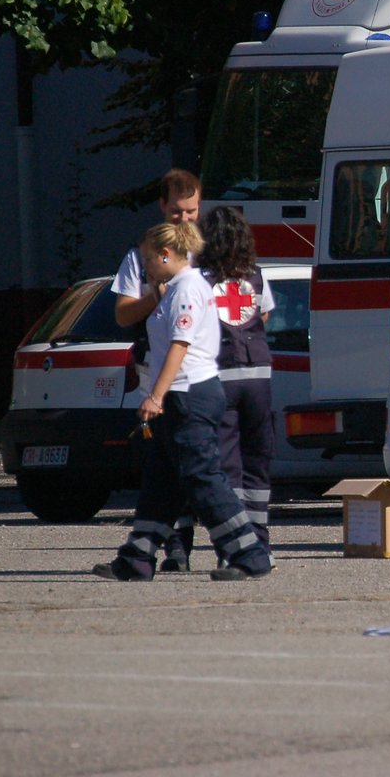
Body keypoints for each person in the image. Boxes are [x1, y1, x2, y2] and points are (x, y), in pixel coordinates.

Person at [92, 222, 273, 582]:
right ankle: (137, 558)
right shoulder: (172, 289)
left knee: (202, 477)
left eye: (148, 260)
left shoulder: (187, 288)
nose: (145, 268)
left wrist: (155, 396)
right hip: (178, 396)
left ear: (165, 255)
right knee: (163, 481)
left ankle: (250, 553)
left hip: (189, 395)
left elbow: (180, 345)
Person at [112, 169, 201, 569]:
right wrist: (156, 295)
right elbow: (122, 315)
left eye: (193, 211)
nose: (185, 220)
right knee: (163, 463)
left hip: (198, 375)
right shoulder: (140, 257)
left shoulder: (205, 253)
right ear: (162, 207)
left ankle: (178, 544)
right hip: (158, 374)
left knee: (187, 465)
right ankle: (173, 546)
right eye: (178, 212)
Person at [197, 206, 275, 557]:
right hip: (259, 374)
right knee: (257, 461)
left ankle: (238, 547)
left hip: (221, 376)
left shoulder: (200, 279)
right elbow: (265, 313)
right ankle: (261, 542)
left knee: (228, 466)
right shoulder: (255, 274)